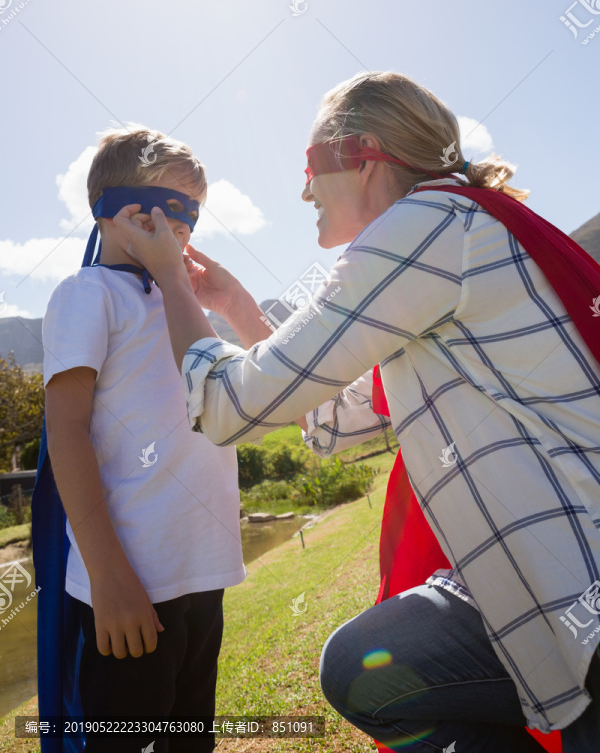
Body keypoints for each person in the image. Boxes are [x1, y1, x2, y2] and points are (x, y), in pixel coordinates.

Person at [112, 72, 600, 753]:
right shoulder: (447, 239)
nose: (304, 190)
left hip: (580, 584)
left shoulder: (424, 227)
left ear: (364, 157)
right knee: (363, 667)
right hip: (545, 583)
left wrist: (170, 281)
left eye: (311, 168)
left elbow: (226, 406)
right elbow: (332, 425)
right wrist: (237, 308)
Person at [32, 125, 246, 753]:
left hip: (198, 572)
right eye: (166, 213)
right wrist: (108, 575)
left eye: (191, 219)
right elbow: (67, 431)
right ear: (114, 212)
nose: (182, 233)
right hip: (131, 583)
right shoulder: (87, 295)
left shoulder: (180, 307)